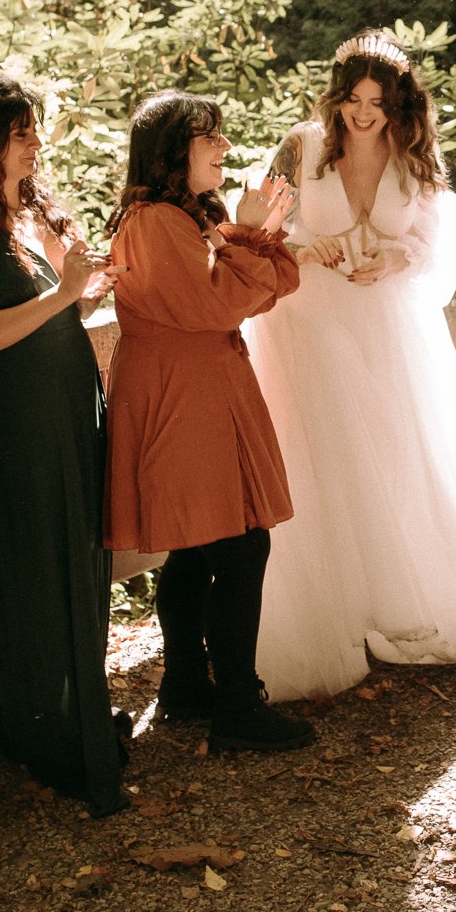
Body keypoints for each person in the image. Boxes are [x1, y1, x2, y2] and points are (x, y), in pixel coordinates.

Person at [244, 31, 456, 700]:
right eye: (354, 100)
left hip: (388, 324)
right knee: (326, 463)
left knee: (398, 456)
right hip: (309, 324)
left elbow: (439, 229)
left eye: (377, 101)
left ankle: (398, 605)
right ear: (337, 99)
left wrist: (395, 257)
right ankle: (334, 614)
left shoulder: (412, 157)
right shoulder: (301, 147)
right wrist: (312, 249)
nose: (363, 113)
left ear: (398, 104)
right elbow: (257, 228)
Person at [0, 68, 129, 816]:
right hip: (19, 415)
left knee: (83, 553)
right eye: (21, 131)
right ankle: (44, 728)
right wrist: (65, 293)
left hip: (72, 397)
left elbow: (63, 297)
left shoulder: (31, 208)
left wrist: (89, 281)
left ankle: (81, 709)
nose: (36, 141)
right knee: (37, 561)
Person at [103, 90, 314, 755]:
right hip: (181, 399)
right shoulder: (153, 223)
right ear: (172, 152)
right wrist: (250, 233)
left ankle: (189, 685)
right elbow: (221, 302)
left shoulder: (179, 217)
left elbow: (263, 284)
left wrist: (250, 232)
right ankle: (234, 703)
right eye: (210, 137)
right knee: (241, 545)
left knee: (198, 547)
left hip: (197, 392)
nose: (224, 148)